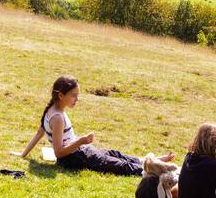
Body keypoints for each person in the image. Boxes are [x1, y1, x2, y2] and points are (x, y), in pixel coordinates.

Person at [19, 75, 170, 175]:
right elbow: (59, 153)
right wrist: (81, 141)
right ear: (60, 95)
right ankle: (158, 170)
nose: (76, 99)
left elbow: (39, 133)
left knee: (113, 154)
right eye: (73, 95)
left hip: (79, 152)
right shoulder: (57, 118)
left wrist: (23, 154)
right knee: (118, 166)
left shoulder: (50, 110)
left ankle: (149, 161)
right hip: (75, 157)